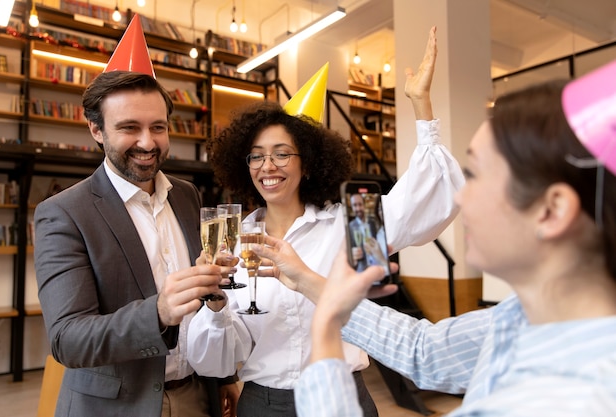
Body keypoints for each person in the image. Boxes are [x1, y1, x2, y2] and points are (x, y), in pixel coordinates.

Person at [253, 68, 616, 416]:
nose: (460, 198)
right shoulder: (515, 318)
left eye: (478, 175)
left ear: (552, 210)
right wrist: (318, 293)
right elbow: (422, 350)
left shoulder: (575, 393)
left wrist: (325, 325)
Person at [186, 26, 464, 417]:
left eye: (282, 154)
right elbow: (214, 361)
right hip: (264, 403)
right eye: (257, 156)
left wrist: (421, 106)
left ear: (309, 163)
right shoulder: (233, 240)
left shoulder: (353, 223)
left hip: (343, 399)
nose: (268, 166)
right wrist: (214, 304)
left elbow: (430, 198)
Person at [34, 16, 237, 417]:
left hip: (198, 394)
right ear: (96, 129)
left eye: (157, 127)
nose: (147, 142)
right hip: (117, 408)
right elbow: (68, 339)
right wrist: (158, 312)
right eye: (129, 127)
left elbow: (201, 298)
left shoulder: (186, 195)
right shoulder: (62, 213)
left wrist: (222, 375)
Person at [348, 193, 378, 271]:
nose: (358, 208)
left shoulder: (372, 223)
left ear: (364, 205)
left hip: (377, 266)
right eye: (355, 205)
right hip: (361, 270)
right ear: (352, 207)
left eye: (360, 204)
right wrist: (352, 255)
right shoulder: (350, 227)